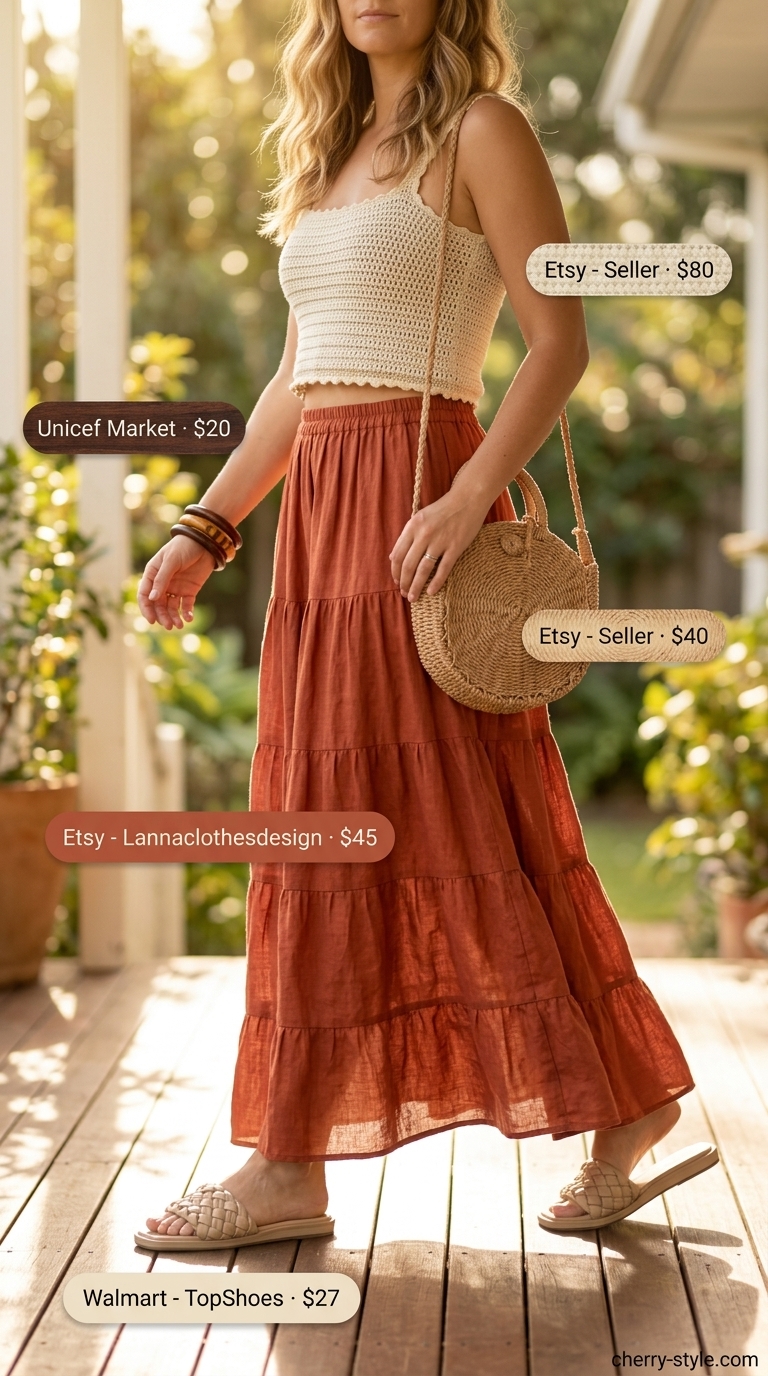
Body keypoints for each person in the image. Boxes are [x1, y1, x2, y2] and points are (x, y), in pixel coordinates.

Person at [134, 0, 716, 1250]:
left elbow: (555, 340)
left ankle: (608, 1108)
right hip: (324, 525)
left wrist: (466, 490)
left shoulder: (484, 130)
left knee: (479, 821)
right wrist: (208, 525)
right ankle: (299, 1156)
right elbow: (300, 377)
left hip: (425, 504)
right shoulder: (324, 152)